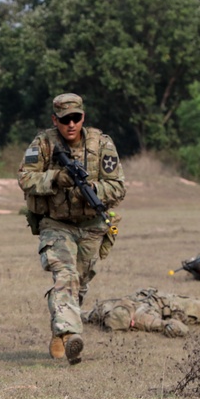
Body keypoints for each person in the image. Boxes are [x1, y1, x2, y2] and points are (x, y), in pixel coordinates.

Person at [18, 93, 126, 365]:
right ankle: (70, 333)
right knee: (65, 276)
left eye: (76, 118)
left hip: (91, 225)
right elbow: (25, 178)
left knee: (80, 281)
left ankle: (59, 331)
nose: (71, 124)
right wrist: (57, 177)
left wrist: (93, 189)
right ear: (55, 120)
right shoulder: (42, 143)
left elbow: (118, 186)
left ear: (83, 117)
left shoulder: (101, 144)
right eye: (65, 120)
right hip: (56, 224)